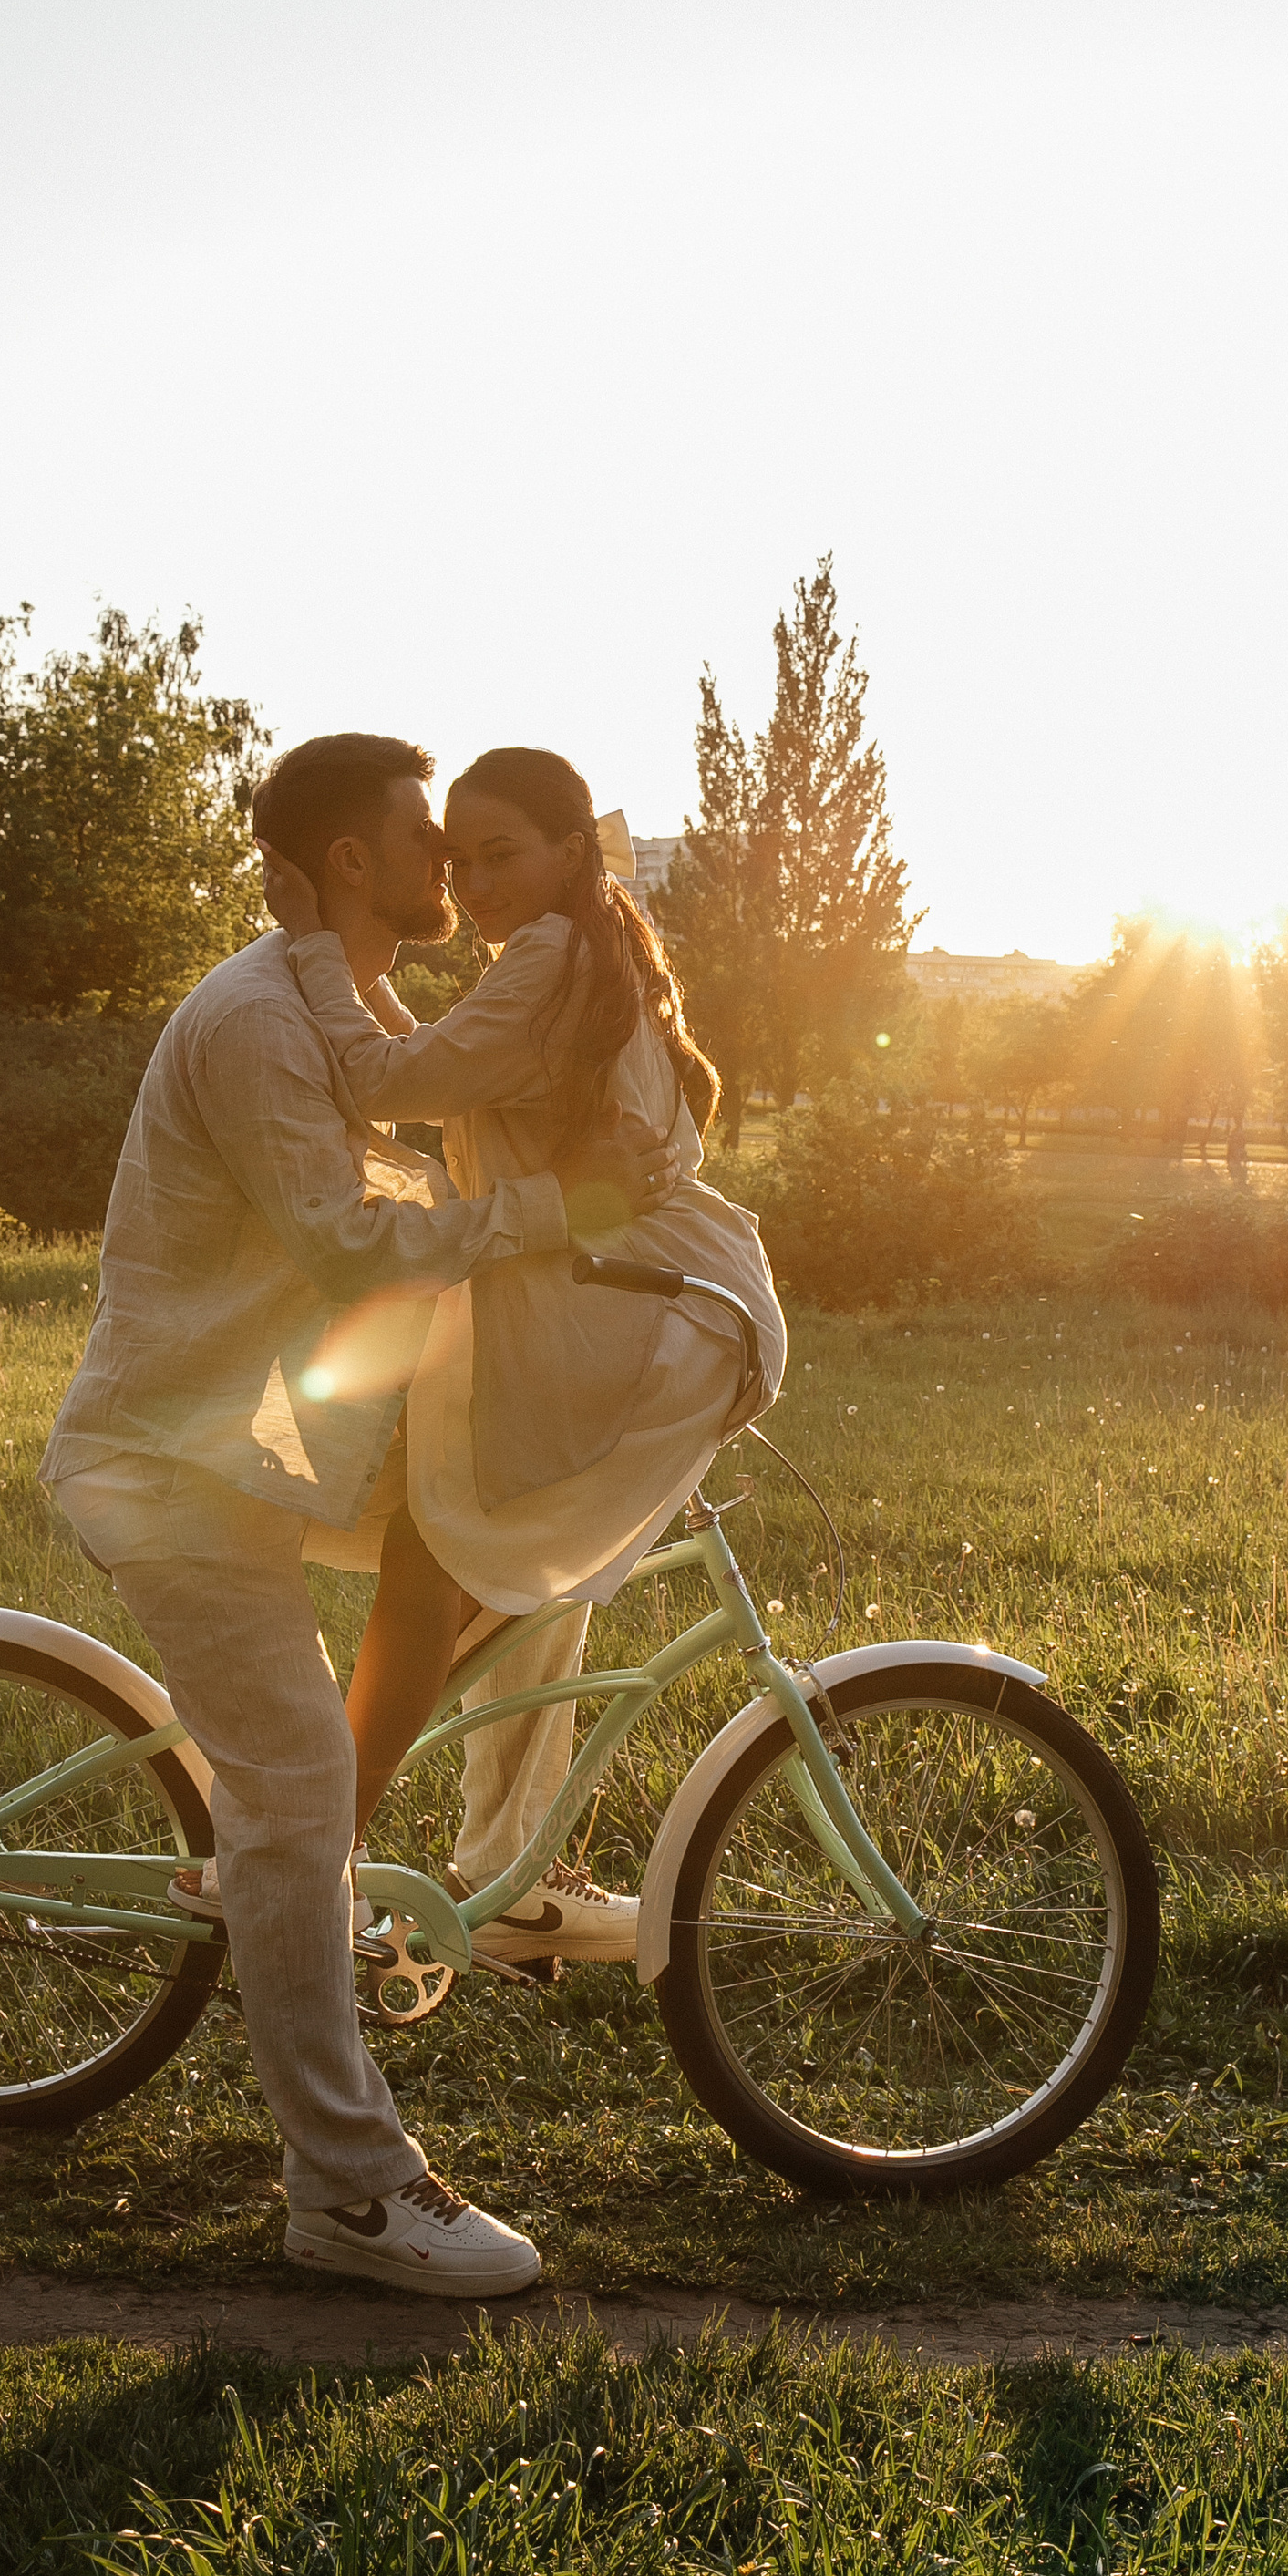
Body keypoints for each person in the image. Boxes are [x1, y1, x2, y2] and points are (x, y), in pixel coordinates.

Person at [40, 732, 678, 2300]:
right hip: (175, 1460)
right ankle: (346, 2187)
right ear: (348, 866)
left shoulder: (342, 997)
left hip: (260, 1439)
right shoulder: (262, 1020)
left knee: (518, 1530)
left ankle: (495, 1872)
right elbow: (343, 1243)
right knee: (298, 1782)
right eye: (420, 835)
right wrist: (550, 1217)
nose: (446, 863)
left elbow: (398, 1131)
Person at [259, 747, 786, 1932]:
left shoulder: (546, 956)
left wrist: (311, 947)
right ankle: (502, 1868)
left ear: (565, 853)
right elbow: (436, 1078)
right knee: (518, 1583)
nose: (478, 881)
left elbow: (382, 1075)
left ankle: (309, 1853)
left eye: (504, 853)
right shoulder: (576, 952)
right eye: (458, 855)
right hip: (650, 1307)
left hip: (613, 1313)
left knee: (436, 1563)